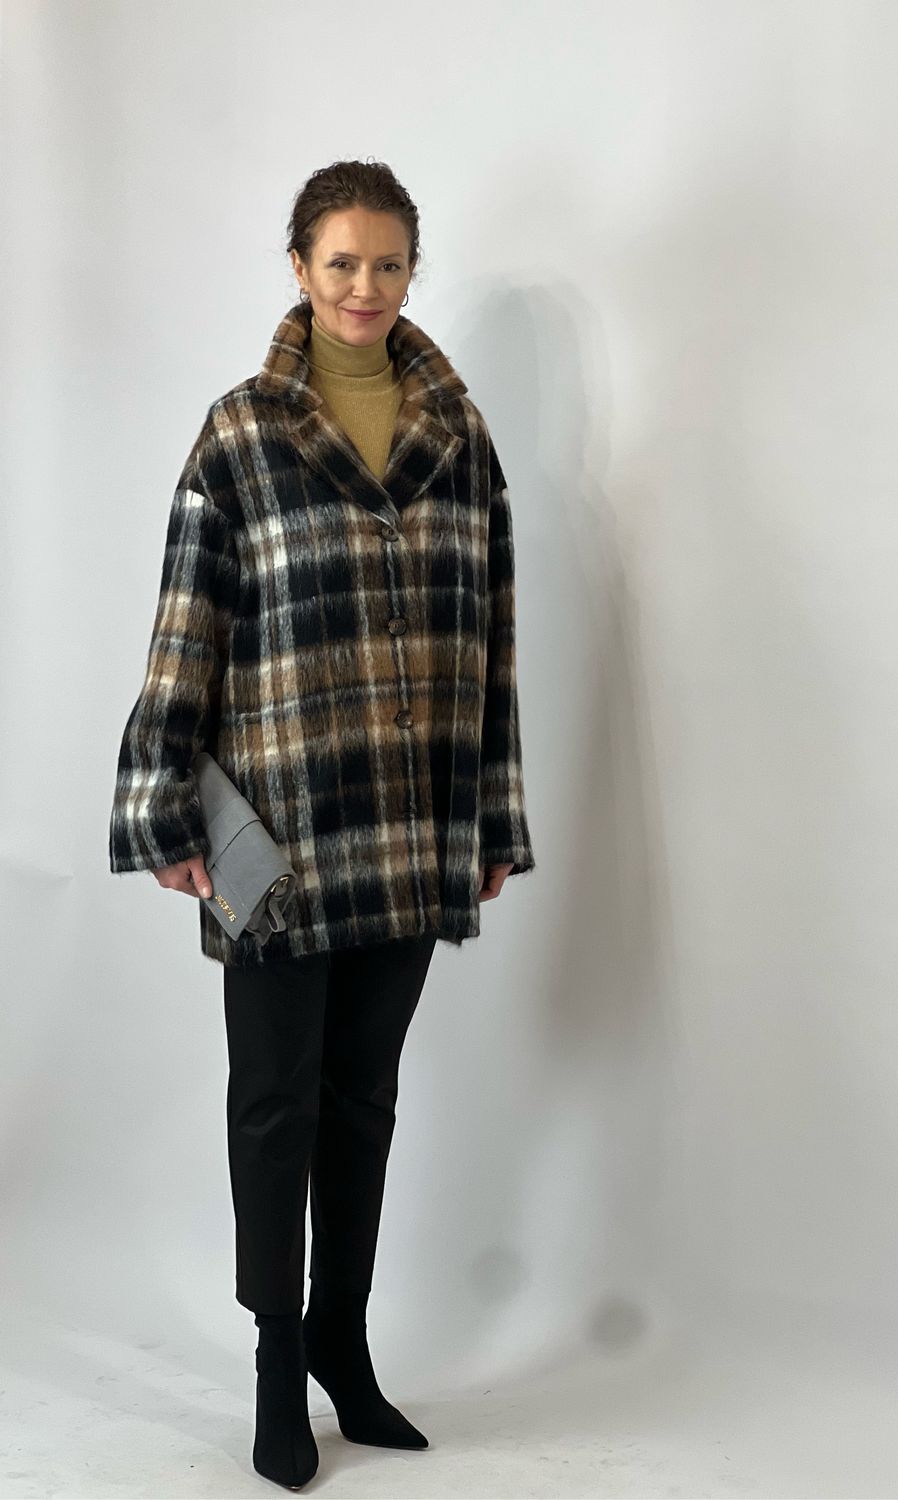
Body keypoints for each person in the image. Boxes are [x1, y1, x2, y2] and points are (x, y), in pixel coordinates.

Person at [107, 159, 536, 1490]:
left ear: (412, 273)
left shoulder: (459, 437)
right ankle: (277, 1357)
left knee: (364, 1100)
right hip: (277, 833)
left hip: (408, 824)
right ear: (299, 267)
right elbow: (187, 629)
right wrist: (164, 805)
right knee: (275, 1101)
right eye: (342, 261)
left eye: (388, 263)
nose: (365, 286)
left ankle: (345, 1346)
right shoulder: (241, 435)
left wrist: (492, 819)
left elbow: (491, 641)